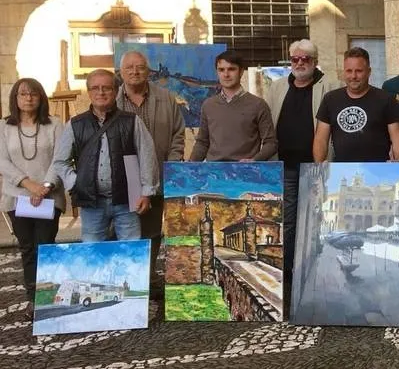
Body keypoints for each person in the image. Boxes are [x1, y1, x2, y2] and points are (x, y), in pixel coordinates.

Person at [266, 39, 336, 307]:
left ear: (314, 60)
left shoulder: (327, 86)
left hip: (316, 166)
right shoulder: (277, 87)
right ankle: (290, 278)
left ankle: (315, 274)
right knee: (289, 223)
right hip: (285, 166)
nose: (299, 63)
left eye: (304, 59)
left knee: (316, 220)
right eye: (294, 59)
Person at [51, 69, 158, 242]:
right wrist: (75, 184)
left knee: (130, 255)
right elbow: (60, 162)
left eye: (106, 88)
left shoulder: (132, 121)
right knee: (93, 256)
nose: (101, 92)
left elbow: (147, 157)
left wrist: (146, 192)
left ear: (116, 91)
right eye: (95, 88)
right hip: (92, 204)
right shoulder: (75, 124)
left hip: (127, 202)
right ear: (89, 92)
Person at [117, 50, 185, 308]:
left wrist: (174, 161)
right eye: (129, 68)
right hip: (123, 178)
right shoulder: (113, 100)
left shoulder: (166, 98)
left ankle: (147, 276)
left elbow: (179, 134)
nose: (135, 72)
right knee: (126, 227)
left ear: (148, 71)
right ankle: (129, 279)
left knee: (154, 228)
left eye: (140, 67)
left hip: (158, 173)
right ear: (121, 72)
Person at [0, 79, 65, 299]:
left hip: (49, 197)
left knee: (46, 248)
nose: (28, 98)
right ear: (15, 99)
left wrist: (45, 187)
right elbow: (2, 161)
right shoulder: (3, 126)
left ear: (41, 97)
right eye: (23, 94)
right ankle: (33, 300)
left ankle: (49, 299)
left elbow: (60, 158)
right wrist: (30, 185)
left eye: (33, 94)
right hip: (17, 198)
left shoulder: (55, 125)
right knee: (28, 250)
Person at [313, 47, 399, 163]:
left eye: (359, 71)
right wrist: (319, 165)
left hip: (379, 173)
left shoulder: (386, 99)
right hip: (342, 172)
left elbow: (397, 137)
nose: (353, 76)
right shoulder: (330, 99)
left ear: (369, 71)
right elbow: (320, 138)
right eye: (349, 71)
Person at [190, 50, 277, 162]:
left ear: (241, 72)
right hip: (214, 174)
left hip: (245, 173)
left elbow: (271, 143)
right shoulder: (208, 105)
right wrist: (189, 166)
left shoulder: (258, 105)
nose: (226, 74)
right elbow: (202, 142)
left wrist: (255, 160)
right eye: (221, 70)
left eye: (231, 69)